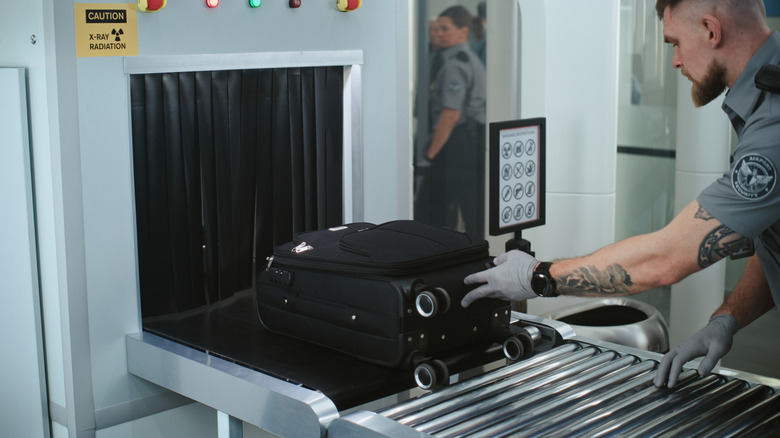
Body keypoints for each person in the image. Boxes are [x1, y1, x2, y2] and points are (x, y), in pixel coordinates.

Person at [461, 0, 779, 389]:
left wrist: (538, 276)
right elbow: (773, 243)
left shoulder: (773, 125)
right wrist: (727, 318)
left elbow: (666, 258)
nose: (675, 61)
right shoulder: (764, 97)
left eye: (675, 42)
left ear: (712, 31)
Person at [424, 5, 487, 240]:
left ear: (463, 32)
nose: (437, 33)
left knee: (438, 210)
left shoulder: (454, 65)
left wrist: (429, 155)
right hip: (469, 141)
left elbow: (450, 116)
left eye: (444, 29)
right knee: (470, 207)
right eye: (436, 28)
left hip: (457, 143)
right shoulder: (467, 59)